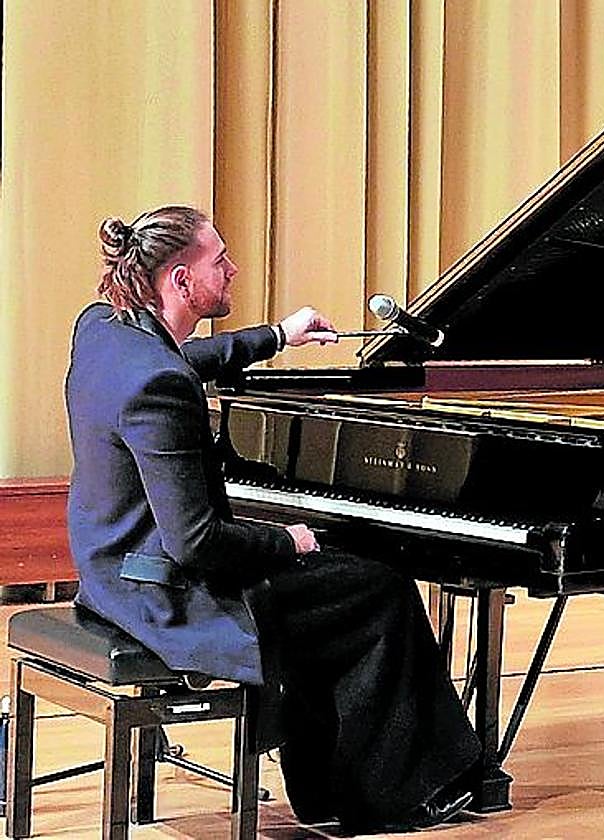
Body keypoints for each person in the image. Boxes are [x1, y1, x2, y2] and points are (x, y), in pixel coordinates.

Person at [65, 205, 482, 833]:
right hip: (166, 594)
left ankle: (328, 790)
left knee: (338, 586)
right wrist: (287, 539)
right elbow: (199, 542)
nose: (233, 270)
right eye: (219, 261)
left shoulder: (103, 329)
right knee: (377, 586)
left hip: (111, 568)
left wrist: (278, 336)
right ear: (180, 280)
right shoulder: (159, 384)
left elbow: (187, 359)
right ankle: (387, 796)